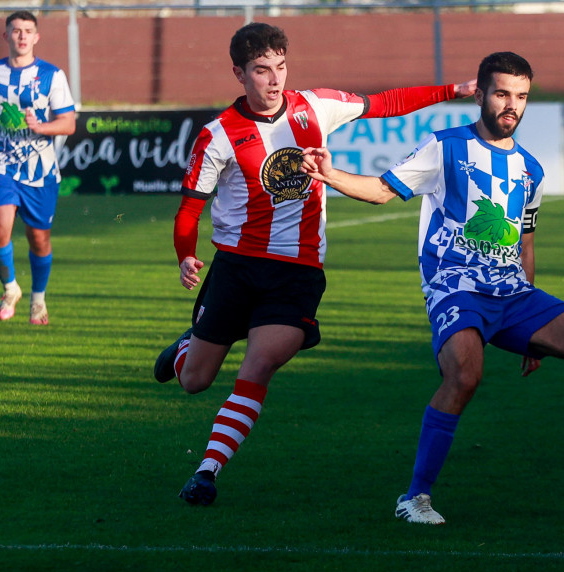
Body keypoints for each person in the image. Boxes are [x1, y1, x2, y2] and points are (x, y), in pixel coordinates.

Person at [152, 22, 477, 506]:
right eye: (262, 70)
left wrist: (455, 90)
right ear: (239, 73)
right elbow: (189, 210)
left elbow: (384, 103)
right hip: (236, 266)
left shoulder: (314, 106)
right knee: (194, 380)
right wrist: (185, 257)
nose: (274, 79)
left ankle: (207, 470)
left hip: (298, 271)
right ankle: (188, 347)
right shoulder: (218, 134)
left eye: (280, 66)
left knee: (260, 362)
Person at [300, 52, 564, 524]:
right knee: (465, 375)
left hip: (513, 294)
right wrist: (329, 173)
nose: (512, 105)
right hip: (455, 286)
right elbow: (383, 190)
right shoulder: (444, 147)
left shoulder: (531, 169)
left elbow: (524, 242)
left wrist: (536, 331)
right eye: (503, 93)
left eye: (522, 96)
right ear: (483, 94)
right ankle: (415, 498)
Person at [0, 10, 76, 325]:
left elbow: (68, 123)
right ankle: (10, 288)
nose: (22, 36)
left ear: (36, 36)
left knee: (38, 239)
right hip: (1, 163)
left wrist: (41, 127)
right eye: (16, 30)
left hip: (40, 170)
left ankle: (38, 299)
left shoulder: (52, 75)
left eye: (28, 30)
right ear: (6, 36)